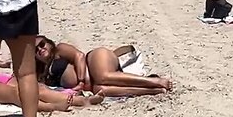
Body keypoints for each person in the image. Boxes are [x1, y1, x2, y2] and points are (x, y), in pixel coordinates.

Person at [34, 37, 173, 98]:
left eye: (42, 44)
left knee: (103, 76)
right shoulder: (44, 74)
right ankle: (154, 90)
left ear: (49, 43)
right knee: (100, 90)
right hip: (93, 85)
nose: (40, 49)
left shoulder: (59, 49)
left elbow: (79, 56)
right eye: (35, 50)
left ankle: (156, 81)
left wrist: (81, 81)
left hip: (93, 60)